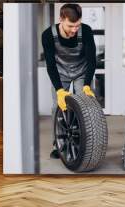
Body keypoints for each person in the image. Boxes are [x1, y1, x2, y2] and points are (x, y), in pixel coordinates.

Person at [42, 3, 96, 159]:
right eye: (71, 26)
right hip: (60, 72)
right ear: (61, 19)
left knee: (85, 104)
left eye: (77, 25)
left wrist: (86, 85)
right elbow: (50, 65)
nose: (74, 30)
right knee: (58, 106)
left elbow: (92, 60)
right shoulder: (48, 35)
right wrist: (59, 90)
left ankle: (84, 140)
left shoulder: (85, 31)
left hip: (81, 72)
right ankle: (58, 144)